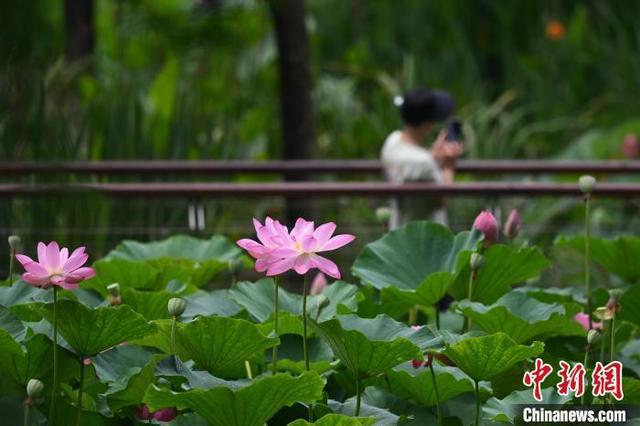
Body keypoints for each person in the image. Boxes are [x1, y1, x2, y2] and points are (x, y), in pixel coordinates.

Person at [381, 87, 463, 228]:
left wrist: (433, 156)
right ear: (428, 124)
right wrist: (448, 167)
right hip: (425, 239)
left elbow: (412, 163)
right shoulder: (423, 163)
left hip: (398, 228)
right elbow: (440, 201)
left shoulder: (392, 141)